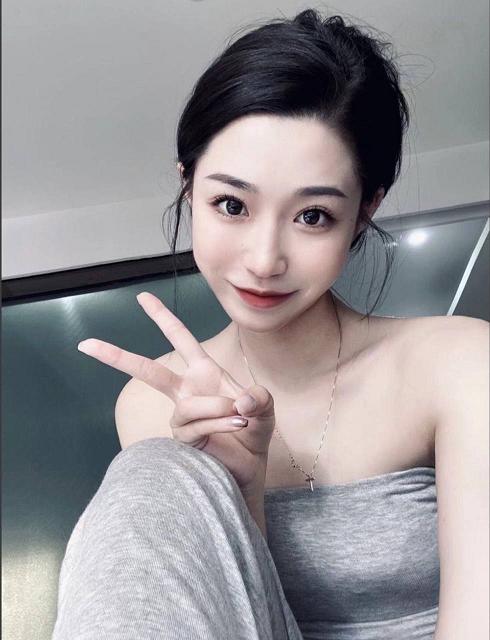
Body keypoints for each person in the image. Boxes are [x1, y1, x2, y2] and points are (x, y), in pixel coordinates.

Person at [52, 8, 489, 640]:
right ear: (189, 188)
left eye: (312, 216)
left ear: (365, 212)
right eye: (231, 205)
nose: (264, 260)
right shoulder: (154, 401)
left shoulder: (457, 364)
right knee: (155, 470)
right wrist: (242, 487)